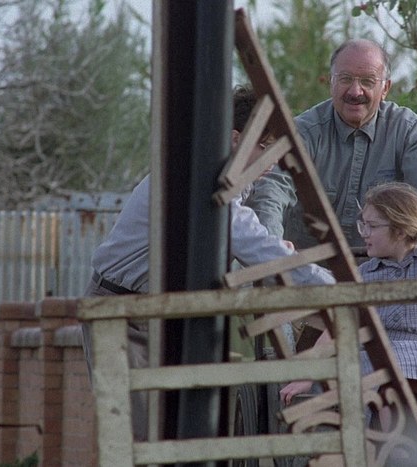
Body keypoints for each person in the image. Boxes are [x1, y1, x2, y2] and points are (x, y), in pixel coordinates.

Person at [82, 85, 335, 441]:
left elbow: (247, 249)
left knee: (178, 435)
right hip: (122, 316)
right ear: (236, 139)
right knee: (140, 439)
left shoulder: (223, 181)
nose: (272, 161)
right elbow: (259, 248)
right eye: (265, 147)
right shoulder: (205, 182)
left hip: (163, 315)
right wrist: (336, 289)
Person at [279, 182, 417, 443]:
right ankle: (395, 447)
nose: (364, 234)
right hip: (376, 352)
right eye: (363, 225)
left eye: (372, 226)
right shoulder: (363, 275)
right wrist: (307, 377)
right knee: (384, 375)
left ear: (400, 230)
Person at [246, 38, 417, 253]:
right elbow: (272, 189)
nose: (355, 91)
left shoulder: (405, 129)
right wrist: (272, 246)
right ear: (331, 82)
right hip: (307, 269)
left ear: (385, 88)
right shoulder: (303, 132)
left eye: (367, 81)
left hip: (384, 269)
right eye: (345, 79)